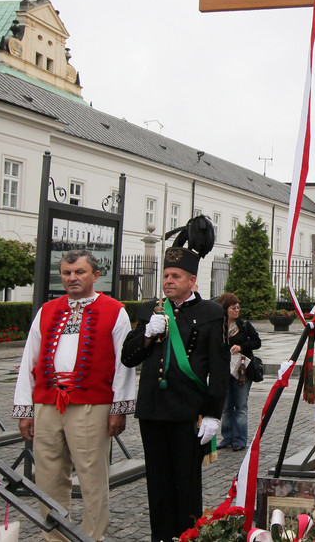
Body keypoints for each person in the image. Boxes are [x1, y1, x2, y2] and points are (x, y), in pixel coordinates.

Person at [12, 250, 136, 541]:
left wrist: (119, 408)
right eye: (67, 273)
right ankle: (56, 536)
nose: (72, 278)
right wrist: (25, 409)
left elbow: (124, 363)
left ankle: (93, 536)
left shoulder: (115, 310)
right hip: (48, 402)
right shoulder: (47, 310)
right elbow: (29, 359)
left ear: (95, 275)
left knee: (92, 476)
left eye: (79, 272)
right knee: (48, 475)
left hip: (92, 404)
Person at [121, 217, 229, 542]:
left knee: (186, 484)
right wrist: (146, 336)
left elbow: (219, 369)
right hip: (153, 411)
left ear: (192, 280)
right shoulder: (149, 310)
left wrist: (212, 413)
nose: (168, 281)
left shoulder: (211, 313)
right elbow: (129, 357)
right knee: (158, 484)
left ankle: (187, 537)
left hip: (188, 412)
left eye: (175, 276)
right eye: (166, 276)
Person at [216, 292, 261, 452]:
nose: (237, 310)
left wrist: (242, 347)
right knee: (225, 406)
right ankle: (227, 438)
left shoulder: (243, 325)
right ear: (225, 309)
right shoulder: (218, 327)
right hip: (224, 370)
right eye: (233, 307)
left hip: (242, 371)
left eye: (238, 307)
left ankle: (240, 440)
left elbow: (257, 342)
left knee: (240, 405)